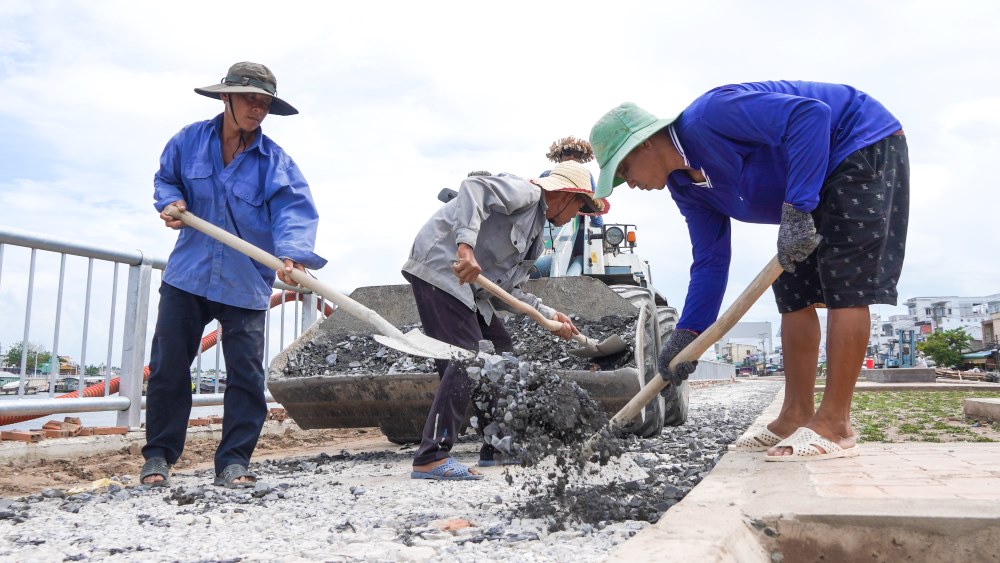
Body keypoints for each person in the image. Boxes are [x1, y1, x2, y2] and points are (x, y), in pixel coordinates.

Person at [589, 81, 908, 461]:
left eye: (625, 169)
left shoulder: (711, 116)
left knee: (845, 284)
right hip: (811, 181)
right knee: (792, 292)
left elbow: (811, 116)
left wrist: (796, 208)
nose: (632, 183)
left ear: (645, 143)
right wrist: (689, 336)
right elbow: (710, 259)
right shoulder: (686, 188)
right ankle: (795, 415)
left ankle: (836, 424)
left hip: (857, 143)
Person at [141, 62, 326, 487]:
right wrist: (170, 203)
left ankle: (234, 462)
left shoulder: (274, 162)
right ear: (226, 97)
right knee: (169, 367)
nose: (257, 109)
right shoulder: (188, 141)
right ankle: (158, 458)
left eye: (264, 103)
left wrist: (293, 257)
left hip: (244, 281)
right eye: (249, 99)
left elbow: (293, 212)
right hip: (188, 275)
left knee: (245, 374)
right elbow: (165, 181)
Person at [404, 160, 609, 480]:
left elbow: (506, 292)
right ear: (566, 195)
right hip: (442, 269)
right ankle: (431, 456)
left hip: (472, 291)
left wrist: (549, 316)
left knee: (502, 353)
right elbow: (473, 188)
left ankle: (497, 446)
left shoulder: (536, 235)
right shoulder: (526, 193)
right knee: (466, 360)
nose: (574, 217)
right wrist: (465, 248)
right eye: (579, 207)